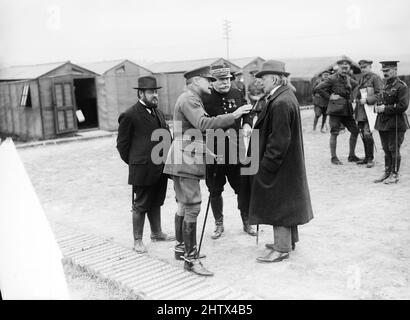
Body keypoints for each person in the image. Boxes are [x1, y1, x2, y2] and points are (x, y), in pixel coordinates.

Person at [163, 66, 252, 276]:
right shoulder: (189, 99)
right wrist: (235, 114)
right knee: (192, 206)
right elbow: (202, 124)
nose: (211, 83)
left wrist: (207, 151)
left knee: (185, 205)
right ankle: (191, 259)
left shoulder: (190, 98)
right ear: (195, 81)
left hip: (186, 154)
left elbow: (188, 132)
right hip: (185, 159)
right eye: (207, 80)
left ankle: (181, 248)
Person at [246, 60, 313, 263]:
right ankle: (287, 241)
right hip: (288, 164)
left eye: (263, 79)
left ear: (274, 78)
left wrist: (267, 166)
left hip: (280, 164)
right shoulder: (284, 96)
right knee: (287, 201)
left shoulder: (281, 102)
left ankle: (281, 248)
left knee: (280, 202)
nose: (260, 83)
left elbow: (279, 140)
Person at [116, 76, 175, 253]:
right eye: (151, 92)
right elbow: (122, 146)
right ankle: (137, 240)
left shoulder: (157, 111)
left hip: (160, 167)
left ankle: (156, 233)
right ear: (140, 93)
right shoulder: (130, 115)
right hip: (142, 168)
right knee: (140, 204)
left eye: (156, 92)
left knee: (156, 200)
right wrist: (136, 162)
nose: (155, 95)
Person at [202, 63, 257, 239]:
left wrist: (248, 123)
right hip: (214, 151)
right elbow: (202, 122)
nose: (225, 83)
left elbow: (249, 111)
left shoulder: (237, 93)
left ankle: (247, 221)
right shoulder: (205, 98)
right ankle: (218, 224)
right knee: (215, 190)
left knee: (242, 188)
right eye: (221, 80)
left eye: (227, 79)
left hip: (236, 149)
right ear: (212, 81)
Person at [314, 59, 361, 165]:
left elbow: (357, 85)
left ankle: (352, 155)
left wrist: (353, 96)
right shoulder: (331, 78)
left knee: (355, 131)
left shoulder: (348, 78)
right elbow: (318, 88)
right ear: (337, 68)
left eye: (347, 68)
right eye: (342, 68)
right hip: (335, 110)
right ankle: (334, 157)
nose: (344, 70)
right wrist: (330, 97)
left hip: (347, 109)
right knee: (334, 133)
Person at [374, 61, 410, 184]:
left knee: (394, 149)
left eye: (387, 71)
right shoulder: (385, 86)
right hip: (383, 123)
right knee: (386, 149)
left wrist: (385, 108)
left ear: (395, 70)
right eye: (383, 71)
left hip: (396, 123)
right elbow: (380, 100)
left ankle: (394, 174)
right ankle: (387, 172)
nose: (385, 73)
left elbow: (403, 106)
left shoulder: (401, 86)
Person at [354, 59, 383, 168]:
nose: (363, 69)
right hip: (361, 111)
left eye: (365, 67)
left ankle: (371, 159)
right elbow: (358, 94)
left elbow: (380, 94)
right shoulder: (361, 79)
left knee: (367, 134)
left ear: (370, 67)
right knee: (362, 134)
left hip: (370, 111)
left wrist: (367, 100)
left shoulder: (375, 78)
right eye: (361, 68)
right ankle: (366, 157)